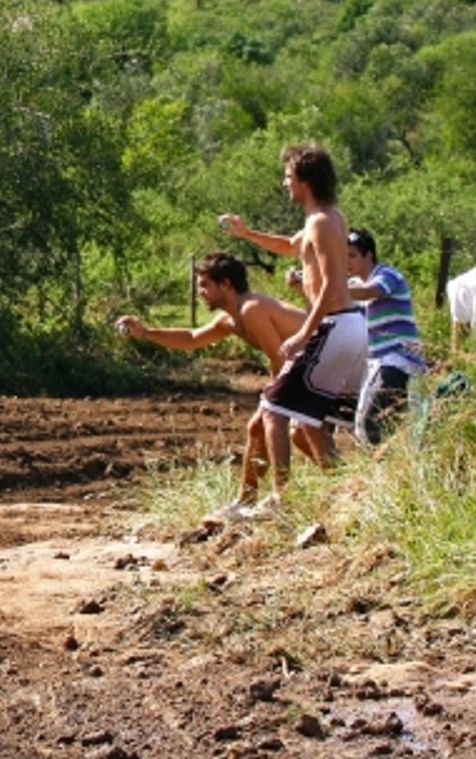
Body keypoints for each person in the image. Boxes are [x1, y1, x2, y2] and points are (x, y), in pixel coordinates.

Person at [220, 144, 368, 511]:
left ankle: (279, 499)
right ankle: (345, 498)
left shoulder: (319, 222)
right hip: (350, 327)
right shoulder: (329, 217)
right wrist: (246, 233)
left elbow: (334, 286)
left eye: (288, 177)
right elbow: (289, 246)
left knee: (272, 409)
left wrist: (304, 333)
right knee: (311, 422)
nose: (285, 183)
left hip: (333, 325)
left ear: (305, 180)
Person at [114, 253, 312, 522]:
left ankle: (278, 498)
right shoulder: (229, 319)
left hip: (322, 359)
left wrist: (274, 399)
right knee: (270, 428)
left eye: (205, 285)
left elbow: (279, 357)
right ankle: (249, 501)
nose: (200, 292)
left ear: (226, 285)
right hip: (306, 365)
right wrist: (146, 333)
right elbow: (192, 338)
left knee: (268, 421)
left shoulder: (252, 308)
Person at [344, 228, 426, 445]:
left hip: (399, 359)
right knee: (365, 425)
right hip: (377, 361)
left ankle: (383, 471)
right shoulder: (352, 286)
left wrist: (332, 286)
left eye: (352, 255)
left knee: (372, 422)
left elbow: (371, 292)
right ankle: (384, 470)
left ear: (368, 255)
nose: (347, 262)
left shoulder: (388, 275)